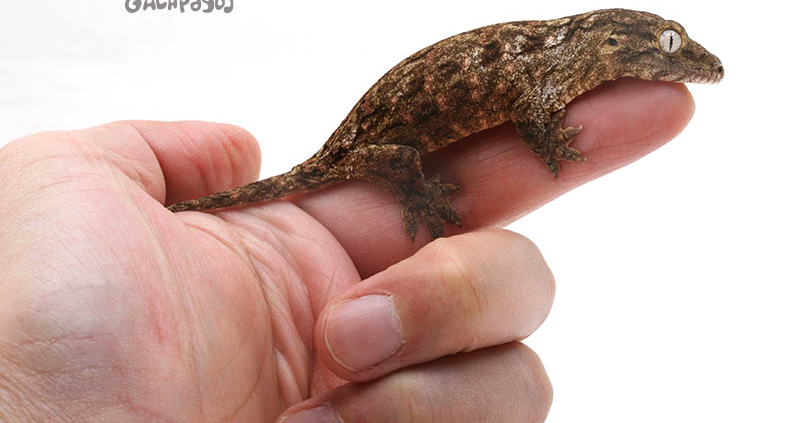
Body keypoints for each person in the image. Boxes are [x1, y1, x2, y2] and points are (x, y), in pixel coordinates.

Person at [0, 79, 693, 422]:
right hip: (377, 152)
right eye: (666, 44)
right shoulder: (554, 65)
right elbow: (529, 109)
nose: (681, 61)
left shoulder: (563, 60)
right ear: (616, 38)